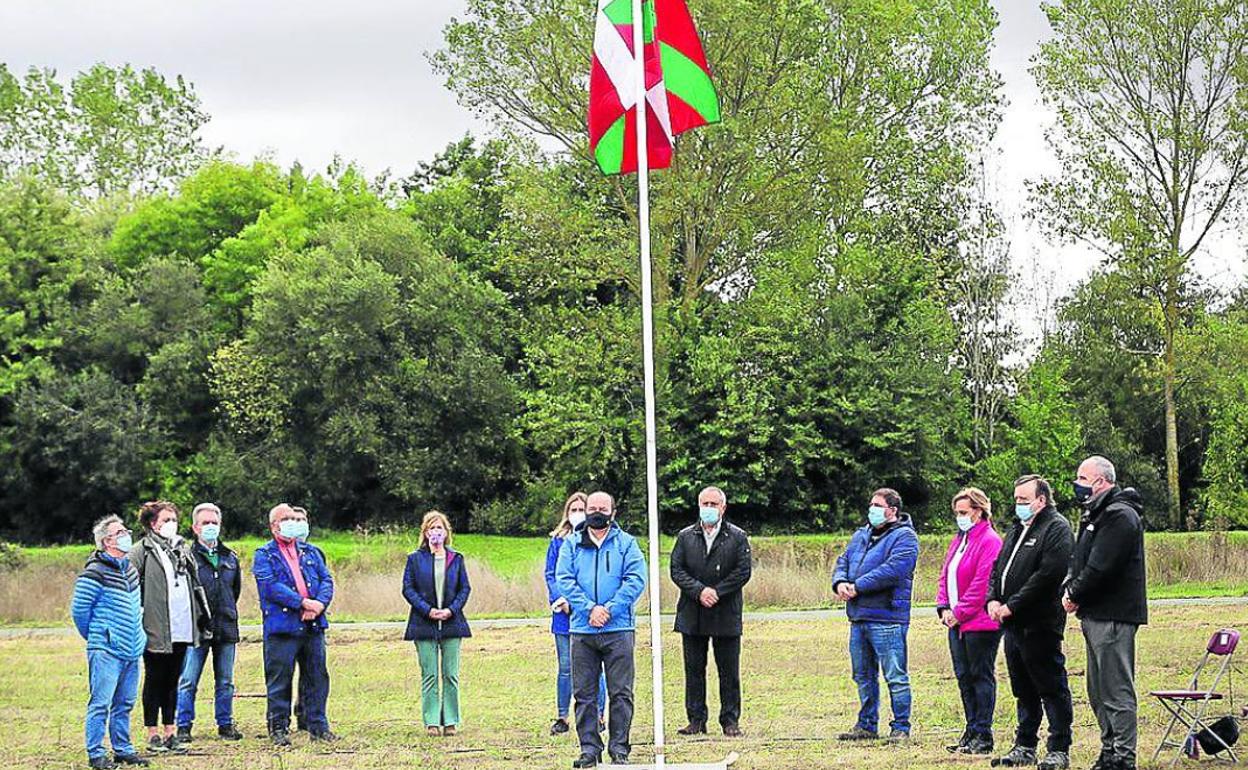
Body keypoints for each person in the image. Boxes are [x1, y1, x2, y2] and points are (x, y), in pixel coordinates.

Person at [1064, 456, 1148, 770]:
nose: (1078, 484)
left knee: (1116, 689)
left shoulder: (1120, 516)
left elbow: (1101, 567)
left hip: (1114, 614)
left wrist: (1074, 593)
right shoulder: (1095, 514)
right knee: (1097, 690)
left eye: (1083, 478)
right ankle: (1109, 749)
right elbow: (1080, 560)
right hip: (1094, 613)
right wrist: (1070, 585)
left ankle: (1124, 757)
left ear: (1101, 481)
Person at [987, 475, 1076, 770]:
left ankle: (1059, 748)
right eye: (1016, 500)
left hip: (1040, 623)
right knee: (1022, 688)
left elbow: (1049, 574)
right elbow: (998, 568)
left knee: (1050, 686)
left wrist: (1013, 604)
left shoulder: (1057, 528)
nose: (1019, 505)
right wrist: (993, 599)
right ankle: (1024, 744)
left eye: (1024, 500)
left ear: (1041, 500)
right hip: (1012, 626)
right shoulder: (1016, 530)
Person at [556, 491, 647, 768]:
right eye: (592, 507)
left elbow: (635, 579)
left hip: (619, 628)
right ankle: (589, 749)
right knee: (584, 694)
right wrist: (588, 609)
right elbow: (564, 579)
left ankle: (619, 749)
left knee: (621, 693)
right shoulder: (571, 544)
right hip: (583, 631)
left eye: (602, 508)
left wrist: (610, 608)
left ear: (613, 512)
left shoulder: (627, 544)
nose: (597, 512)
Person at [832, 488, 920, 743]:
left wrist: (857, 586)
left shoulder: (905, 538)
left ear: (893, 510)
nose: (872, 509)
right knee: (862, 674)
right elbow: (843, 561)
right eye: (871, 504)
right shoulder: (861, 535)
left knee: (895, 675)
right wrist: (840, 583)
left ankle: (900, 726)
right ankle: (867, 724)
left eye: (877, 505)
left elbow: (893, 570)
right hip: (859, 616)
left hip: (887, 618)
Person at [670, 485, 753, 738]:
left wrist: (717, 591)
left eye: (713, 504)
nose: (708, 509)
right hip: (692, 614)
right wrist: (699, 591)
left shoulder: (737, 537)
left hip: (725, 613)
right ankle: (696, 720)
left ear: (723, 508)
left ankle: (730, 720)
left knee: (728, 671)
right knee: (694, 670)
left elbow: (743, 571)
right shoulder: (685, 536)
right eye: (704, 504)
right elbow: (676, 569)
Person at [253, 503, 337, 745]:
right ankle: (278, 728)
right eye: (286, 518)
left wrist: (318, 604)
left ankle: (318, 726)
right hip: (283, 627)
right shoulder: (264, 555)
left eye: (294, 518)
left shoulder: (310, 552)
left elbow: (326, 579)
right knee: (280, 679)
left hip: (313, 625)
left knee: (317, 676)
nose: (292, 522)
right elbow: (270, 587)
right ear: (273, 526)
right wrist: (302, 603)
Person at [73, 515, 151, 769]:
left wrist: (138, 636)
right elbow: (80, 611)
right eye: (120, 532)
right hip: (106, 649)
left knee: (125, 703)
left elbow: (135, 606)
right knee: (101, 703)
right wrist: (99, 636)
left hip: (131, 648)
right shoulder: (94, 571)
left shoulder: (129, 568)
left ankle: (123, 749)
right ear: (107, 540)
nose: (127, 534)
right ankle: (96, 753)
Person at [134, 500, 207, 755]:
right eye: (166, 520)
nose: (171, 524)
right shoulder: (141, 551)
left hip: (182, 624)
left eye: (174, 519)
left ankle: (170, 730)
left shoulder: (181, 549)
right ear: (153, 524)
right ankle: (152, 732)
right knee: (155, 677)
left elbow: (194, 582)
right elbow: (131, 585)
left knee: (173, 680)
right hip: (155, 626)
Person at [936, 488, 1004, 755]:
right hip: (956, 623)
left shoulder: (990, 541)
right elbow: (946, 574)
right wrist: (943, 607)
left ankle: (983, 734)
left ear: (979, 511)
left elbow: (982, 583)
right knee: (964, 677)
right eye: (957, 513)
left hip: (980, 623)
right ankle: (971, 729)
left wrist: (959, 612)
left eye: (964, 512)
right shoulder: (960, 539)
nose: (959, 517)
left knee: (980, 675)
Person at [174, 503, 243, 743]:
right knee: (188, 680)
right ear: (195, 527)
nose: (210, 527)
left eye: (214, 523)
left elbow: (235, 591)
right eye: (205, 523)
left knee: (225, 680)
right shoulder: (187, 557)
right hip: (197, 629)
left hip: (226, 625)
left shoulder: (230, 557)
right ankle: (183, 725)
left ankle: (225, 723)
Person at [403, 510, 473, 737]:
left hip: (452, 624)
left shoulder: (457, 558)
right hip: (424, 624)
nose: (436, 532)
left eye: (439, 528)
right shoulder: (415, 559)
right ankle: (432, 720)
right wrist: (428, 610)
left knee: (450, 674)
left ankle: (450, 719)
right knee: (430, 674)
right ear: (425, 532)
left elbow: (465, 589)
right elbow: (408, 589)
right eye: (432, 528)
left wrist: (451, 610)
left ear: (446, 532)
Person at [545, 492, 608, 736]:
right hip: (564, 614)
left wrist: (588, 605)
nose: (578, 514)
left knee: (595, 668)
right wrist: (562, 600)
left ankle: (599, 715)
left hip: (591, 614)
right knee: (566, 667)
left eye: (582, 509)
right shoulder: (558, 541)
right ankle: (562, 716)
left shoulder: (599, 540)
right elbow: (552, 573)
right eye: (574, 509)